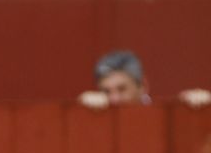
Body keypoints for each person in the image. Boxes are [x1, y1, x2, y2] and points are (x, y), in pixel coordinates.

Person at [79, 49, 211, 110]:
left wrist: (204, 109)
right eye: (106, 91)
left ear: (142, 86)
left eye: (122, 89)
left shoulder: (165, 118)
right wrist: (83, 111)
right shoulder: (98, 117)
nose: (114, 99)